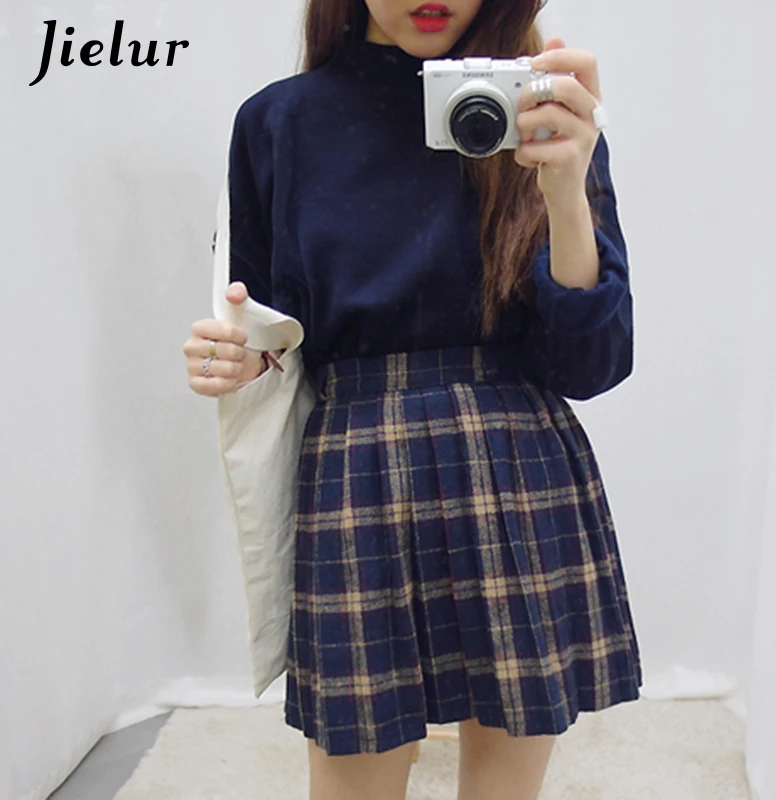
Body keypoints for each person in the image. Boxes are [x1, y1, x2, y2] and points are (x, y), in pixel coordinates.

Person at [183, 0, 642, 798]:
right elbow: (271, 329)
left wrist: (567, 190)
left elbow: (590, 364)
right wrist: (241, 362)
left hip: (515, 461)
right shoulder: (279, 121)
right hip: (355, 469)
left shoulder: (539, 109)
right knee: (351, 773)